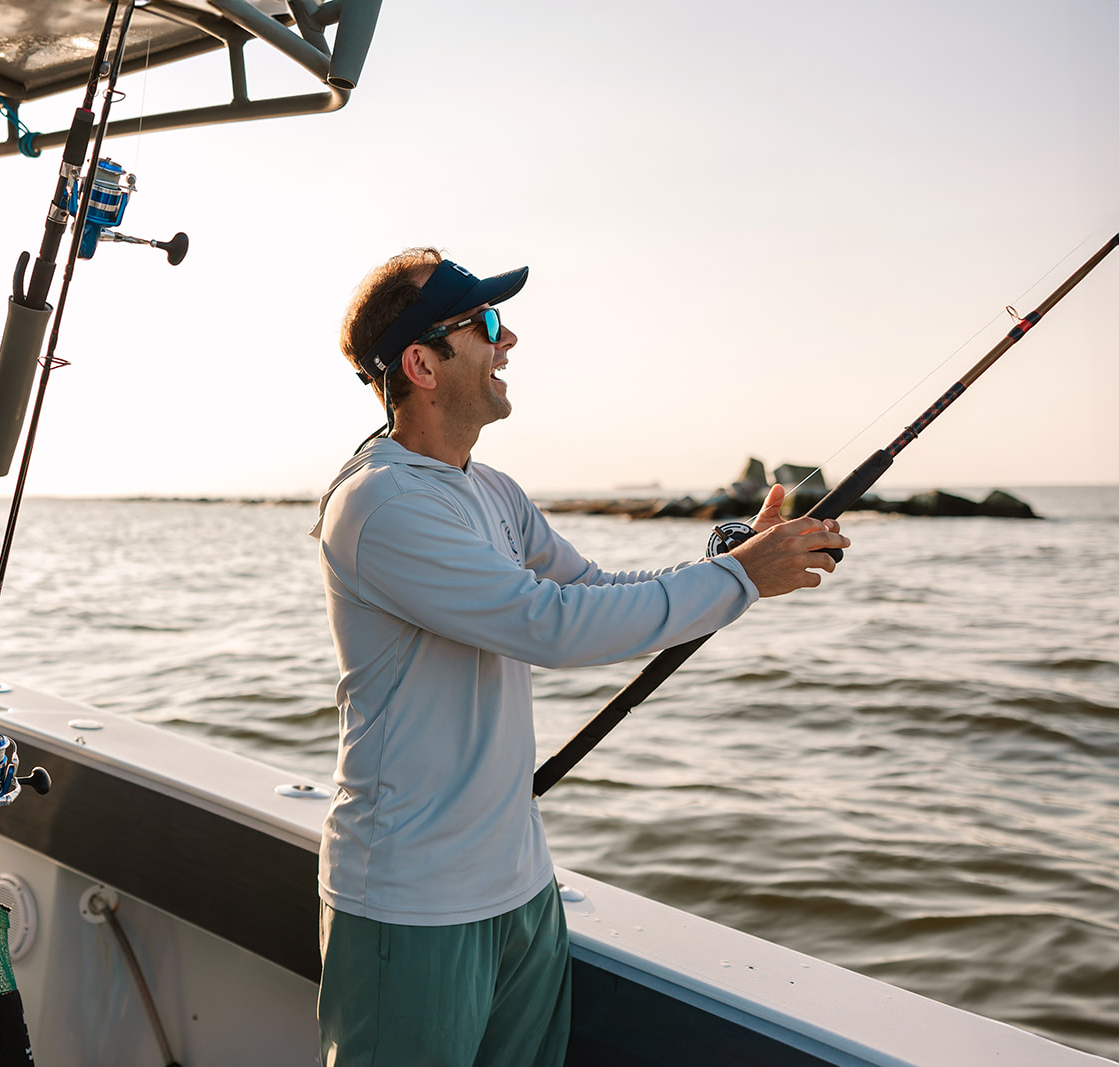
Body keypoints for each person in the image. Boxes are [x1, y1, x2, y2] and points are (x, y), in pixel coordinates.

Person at [310, 248, 850, 1066]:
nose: (510, 337)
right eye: (485, 323)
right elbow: (552, 624)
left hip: (521, 889)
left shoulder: (490, 490)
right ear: (421, 363)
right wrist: (738, 580)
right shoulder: (381, 503)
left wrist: (734, 559)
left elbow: (596, 588)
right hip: (413, 904)